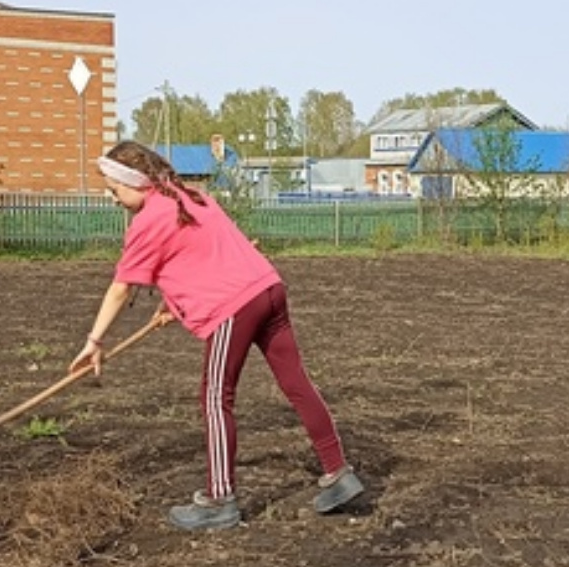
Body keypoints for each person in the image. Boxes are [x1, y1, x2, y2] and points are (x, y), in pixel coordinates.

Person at [70, 140, 362, 530]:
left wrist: (94, 342)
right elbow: (200, 256)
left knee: (214, 397)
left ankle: (219, 499)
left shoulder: (148, 220)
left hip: (233, 307)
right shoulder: (191, 197)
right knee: (297, 384)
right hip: (267, 288)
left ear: (136, 183)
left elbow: (121, 288)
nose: (112, 198)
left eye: (114, 190)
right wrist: (172, 306)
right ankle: (338, 472)